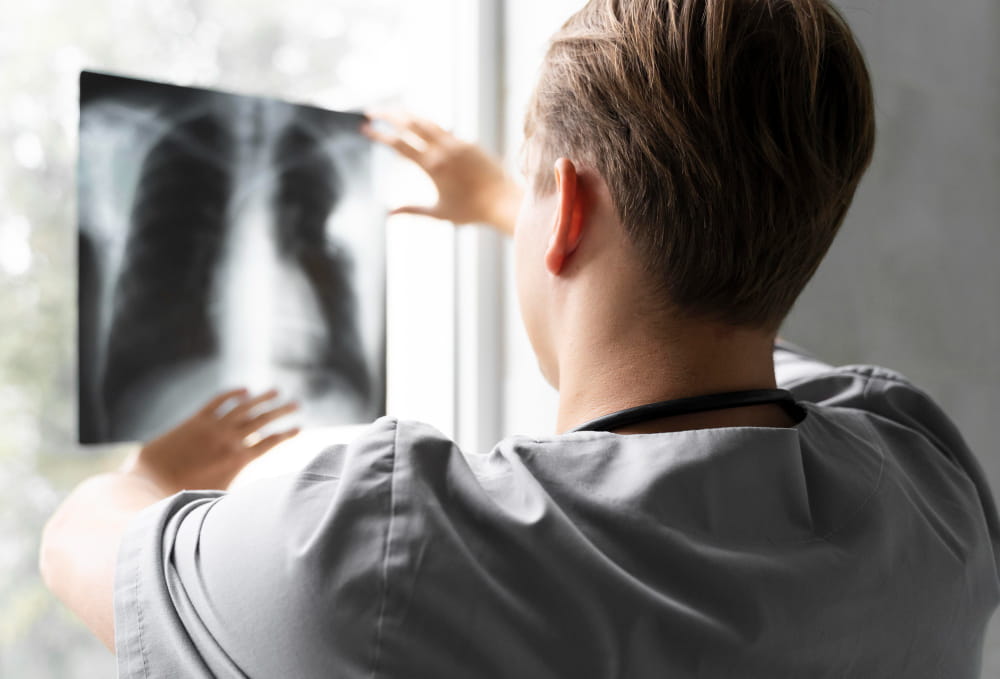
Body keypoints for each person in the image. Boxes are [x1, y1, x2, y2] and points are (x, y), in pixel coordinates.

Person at [40, 0, 1000, 676]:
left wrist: (152, 475)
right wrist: (515, 202)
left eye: (548, 192)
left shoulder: (380, 554)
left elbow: (81, 541)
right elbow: (734, 336)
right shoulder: (927, 487)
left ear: (570, 210)